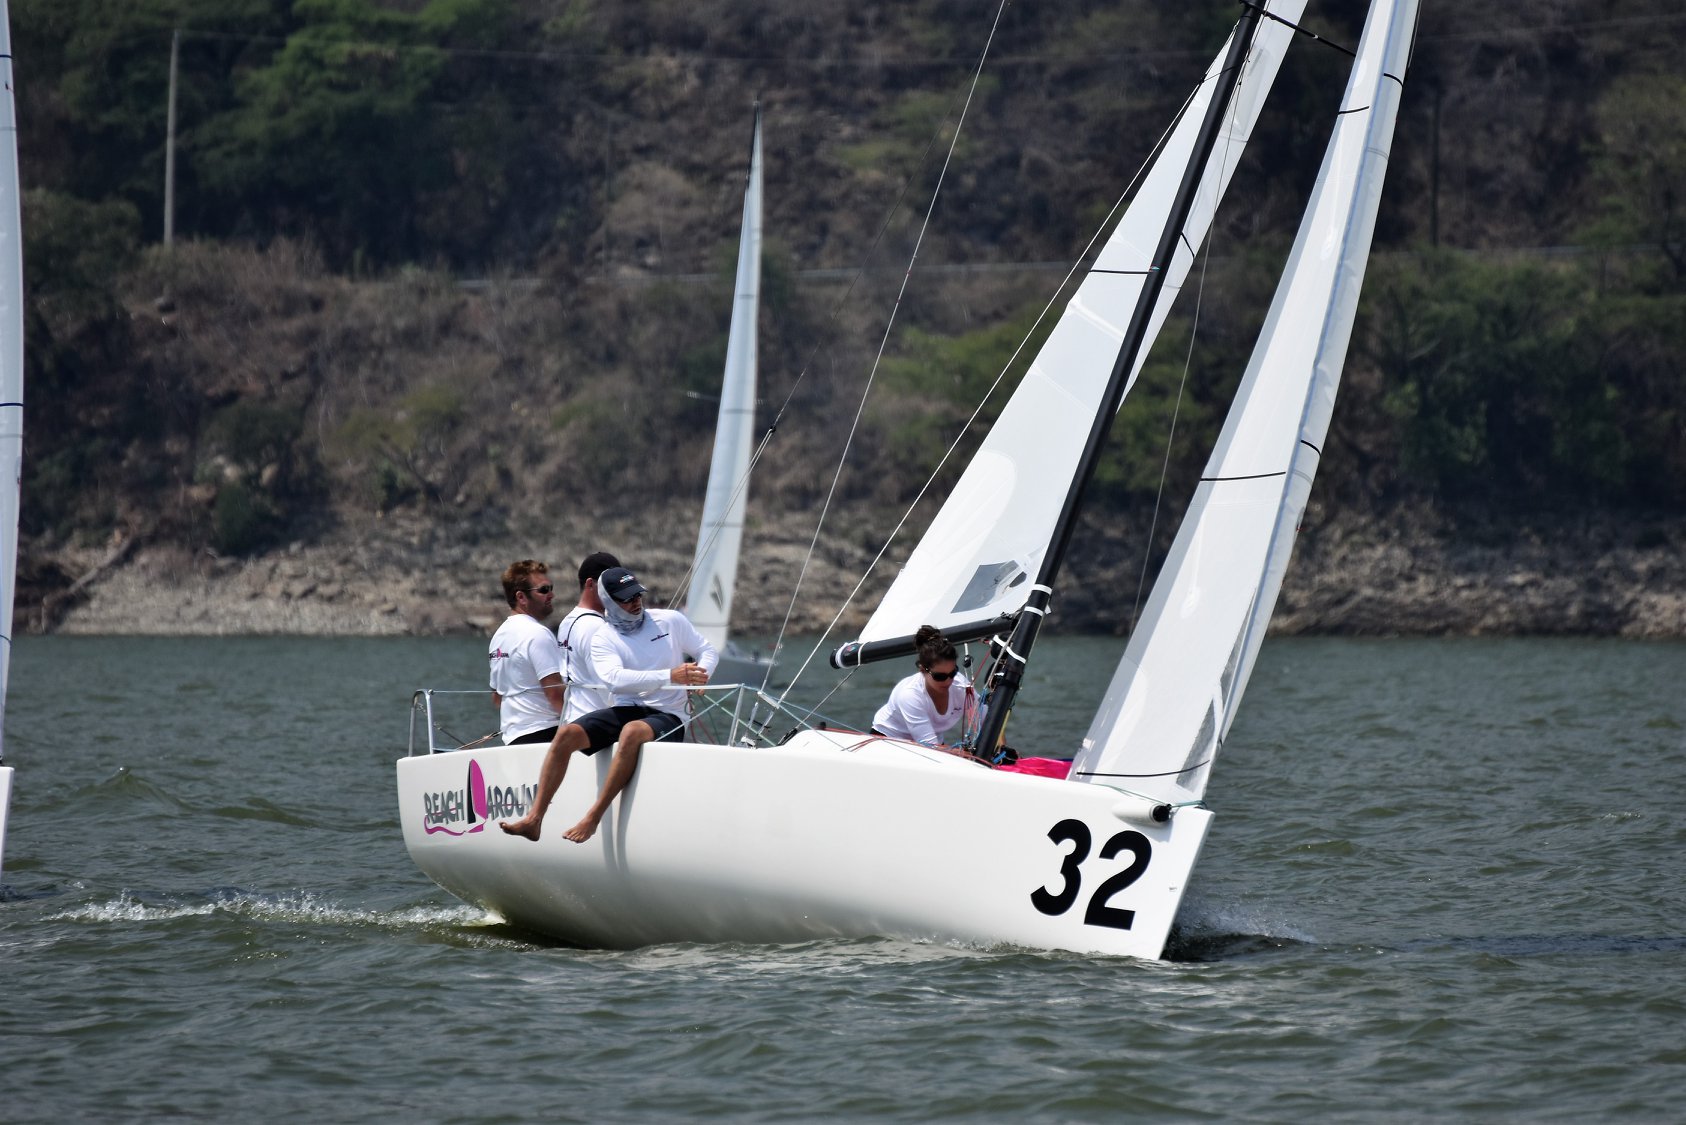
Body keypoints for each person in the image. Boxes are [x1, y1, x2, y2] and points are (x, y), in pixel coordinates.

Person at [500, 566, 718, 844]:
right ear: (608, 602)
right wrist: (669, 675)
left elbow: (706, 650)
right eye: (626, 598)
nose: (635, 602)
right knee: (565, 734)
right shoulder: (603, 637)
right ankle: (534, 819)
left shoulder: (669, 621)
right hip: (630, 708)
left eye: (637, 595)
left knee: (632, 732)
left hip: (669, 714)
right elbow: (615, 680)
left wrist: (702, 673)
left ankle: (593, 818)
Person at [870, 625, 980, 758]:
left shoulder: (961, 685)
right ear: (922, 670)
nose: (948, 681)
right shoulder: (909, 695)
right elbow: (928, 744)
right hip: (889, 739)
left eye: (953, 673)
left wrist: (1000, 748)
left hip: (933, 742)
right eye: (940, 677)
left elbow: (985, 717)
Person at [488, 559, 566, 745]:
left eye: (551, 588)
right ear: (521, 597)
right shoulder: (538, 634)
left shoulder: (498, 637)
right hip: (546, 735)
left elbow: (497, 697)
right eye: (544, 590)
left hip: (512, 738)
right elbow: (555, 695)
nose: (552, 595)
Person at [555, 550, 620, 724]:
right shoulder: (596, 627)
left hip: (572, 719)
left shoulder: (567, 622)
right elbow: (607, 686)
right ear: (590, 584)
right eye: (609, 584)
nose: (616, 590)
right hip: (595, 725)